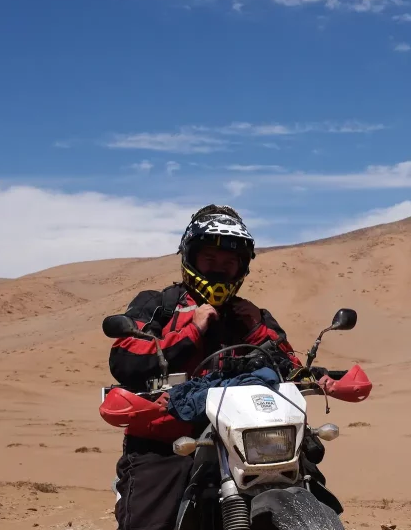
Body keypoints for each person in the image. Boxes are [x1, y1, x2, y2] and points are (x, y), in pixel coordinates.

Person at [108, 204, 326, 530]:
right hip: (171, 440)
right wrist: (190, 331)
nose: (219, 270)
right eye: (210, 259)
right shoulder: (159, 306)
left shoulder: (250, 315)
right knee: (151, 518)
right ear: (191, 259)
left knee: (311, 487)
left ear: (241, 267)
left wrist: (263, 336)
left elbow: (289, 365)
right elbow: (126, 361)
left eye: (229, 262)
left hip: (249, 437)